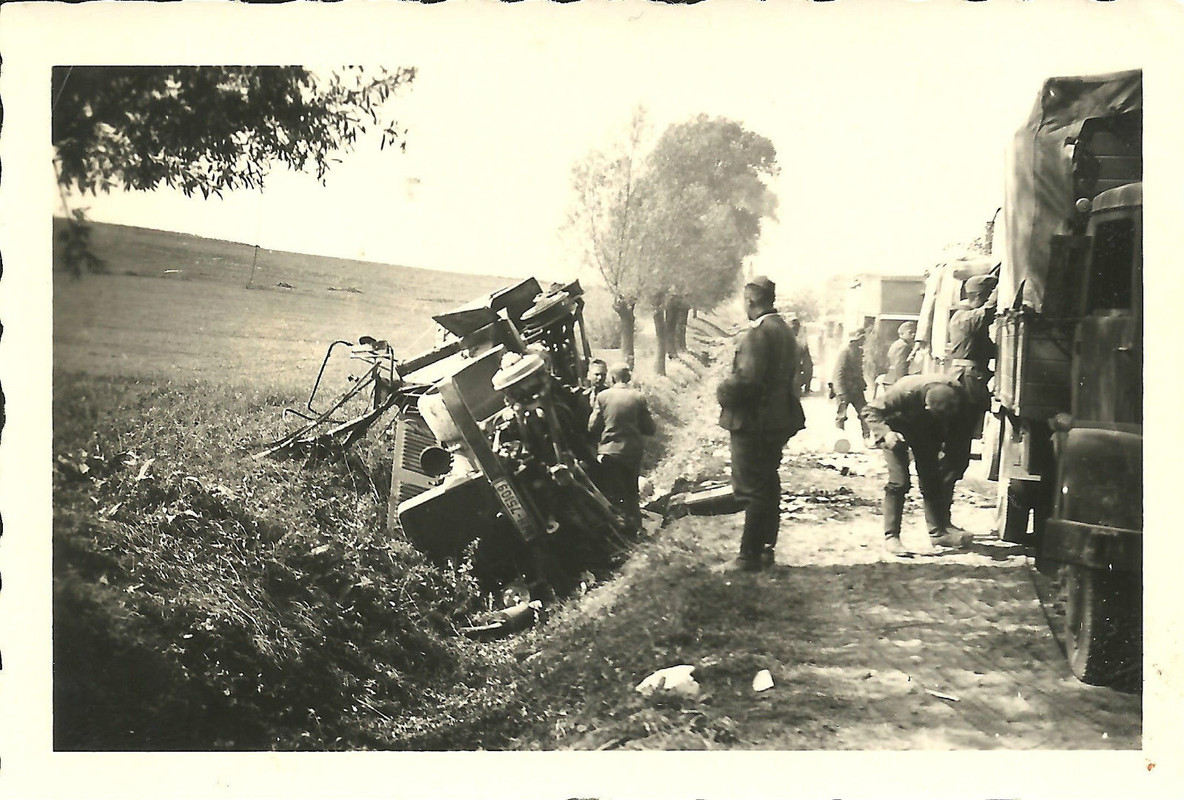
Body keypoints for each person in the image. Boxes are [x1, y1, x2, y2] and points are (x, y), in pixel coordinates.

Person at [716, 276, 805, 571]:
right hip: (777, 420)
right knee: (767, 483)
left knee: (750, 488)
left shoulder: (757, 334)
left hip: (752, 422)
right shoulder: (785, 331)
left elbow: (746, 381)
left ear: (751, 301)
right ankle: (766, 548)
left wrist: (722, 391)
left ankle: (748, 556)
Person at [861, 374, 971, 555]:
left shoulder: (957, 393)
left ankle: (938, 533)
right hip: (896, 431)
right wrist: (886, 434)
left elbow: (960, 428)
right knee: (899, 482)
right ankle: (892, 537)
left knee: (932, 479)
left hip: (926, 433)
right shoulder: (904, 391)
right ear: (927, 406)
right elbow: (870, 411)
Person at [939, 273, 998, 535]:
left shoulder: (966, 318)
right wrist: (1001, 288)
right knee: (954, 457)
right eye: (984, 296)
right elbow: (988, 311)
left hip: (969, 380)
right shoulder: (964, 318)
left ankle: (941, 519)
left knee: (956, 458)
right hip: (967, 382)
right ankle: (940, 522)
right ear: (977, 296)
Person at [588, 362, 655, 534]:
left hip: (610, 452)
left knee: (615, 493)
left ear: (611, 378)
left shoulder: (602, 396)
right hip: (632, 451)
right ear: (628, 378)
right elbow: (650, 428)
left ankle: (622, 530)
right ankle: (637, 528)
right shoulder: (638, 397)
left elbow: (592, 427)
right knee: (632, 491)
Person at [829, 328, 871, 441]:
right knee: (841, 415)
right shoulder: (845, 351)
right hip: (844, 389)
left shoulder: (858, 351)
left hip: (856, 389)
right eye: (862, 338)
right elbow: (839, 372)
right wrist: (840, 391)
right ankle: (840, 439)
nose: (864, 340)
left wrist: (862, 384)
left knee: (865, 413)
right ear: (857, 338)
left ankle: (867, 438)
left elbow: (858, 371)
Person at [883, 321, 918, 389]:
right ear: (901, 334)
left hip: (891, 379)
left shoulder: (897, 344)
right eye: (910, 332)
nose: (913, 334)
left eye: (915, 332)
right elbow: (900, 366)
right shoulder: (904, 346)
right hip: (897, 381)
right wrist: (903, 383)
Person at [789, 317, 814, 396]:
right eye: (793, 328)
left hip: (800, 354)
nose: (795, 330)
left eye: (796, 327)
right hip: (790, 358)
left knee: (808, 367)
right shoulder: (786, 335)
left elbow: (808, 364)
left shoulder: (802, 335)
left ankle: (804, 388)